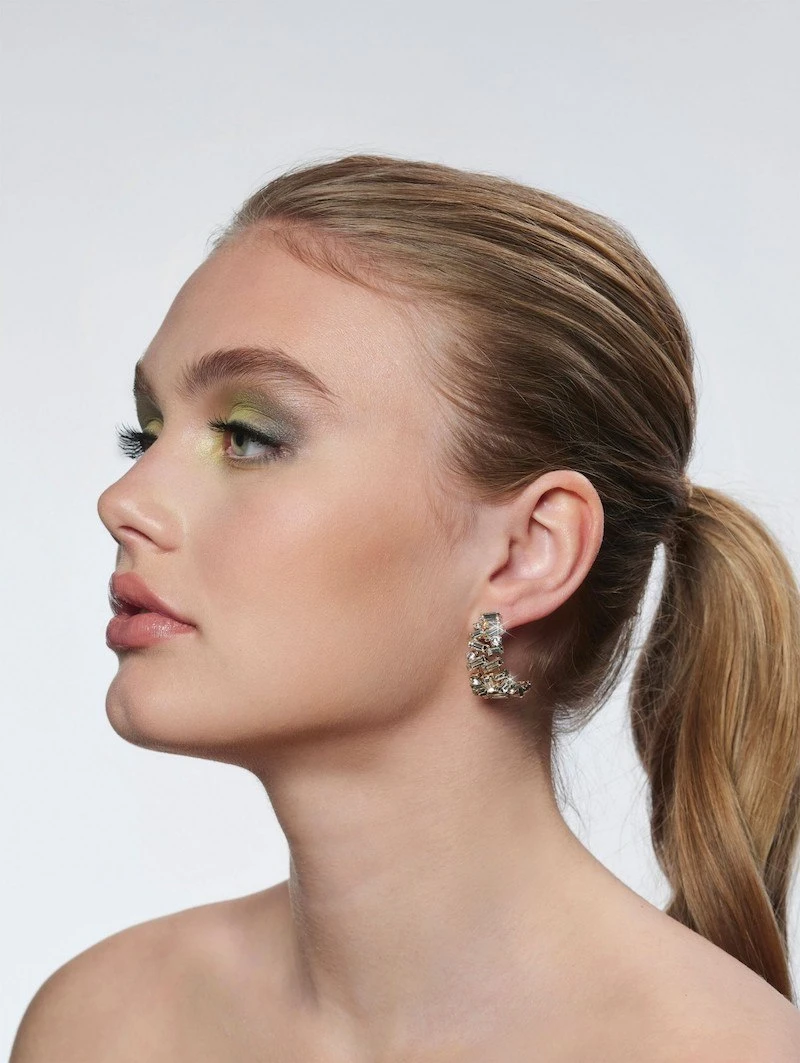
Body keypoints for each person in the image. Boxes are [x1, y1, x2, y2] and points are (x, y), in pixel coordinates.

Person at [11, 154, 800, 1061]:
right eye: (145, 433)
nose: (125, 499)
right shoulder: (102, 1026)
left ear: (528, 552)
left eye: (247, 436)